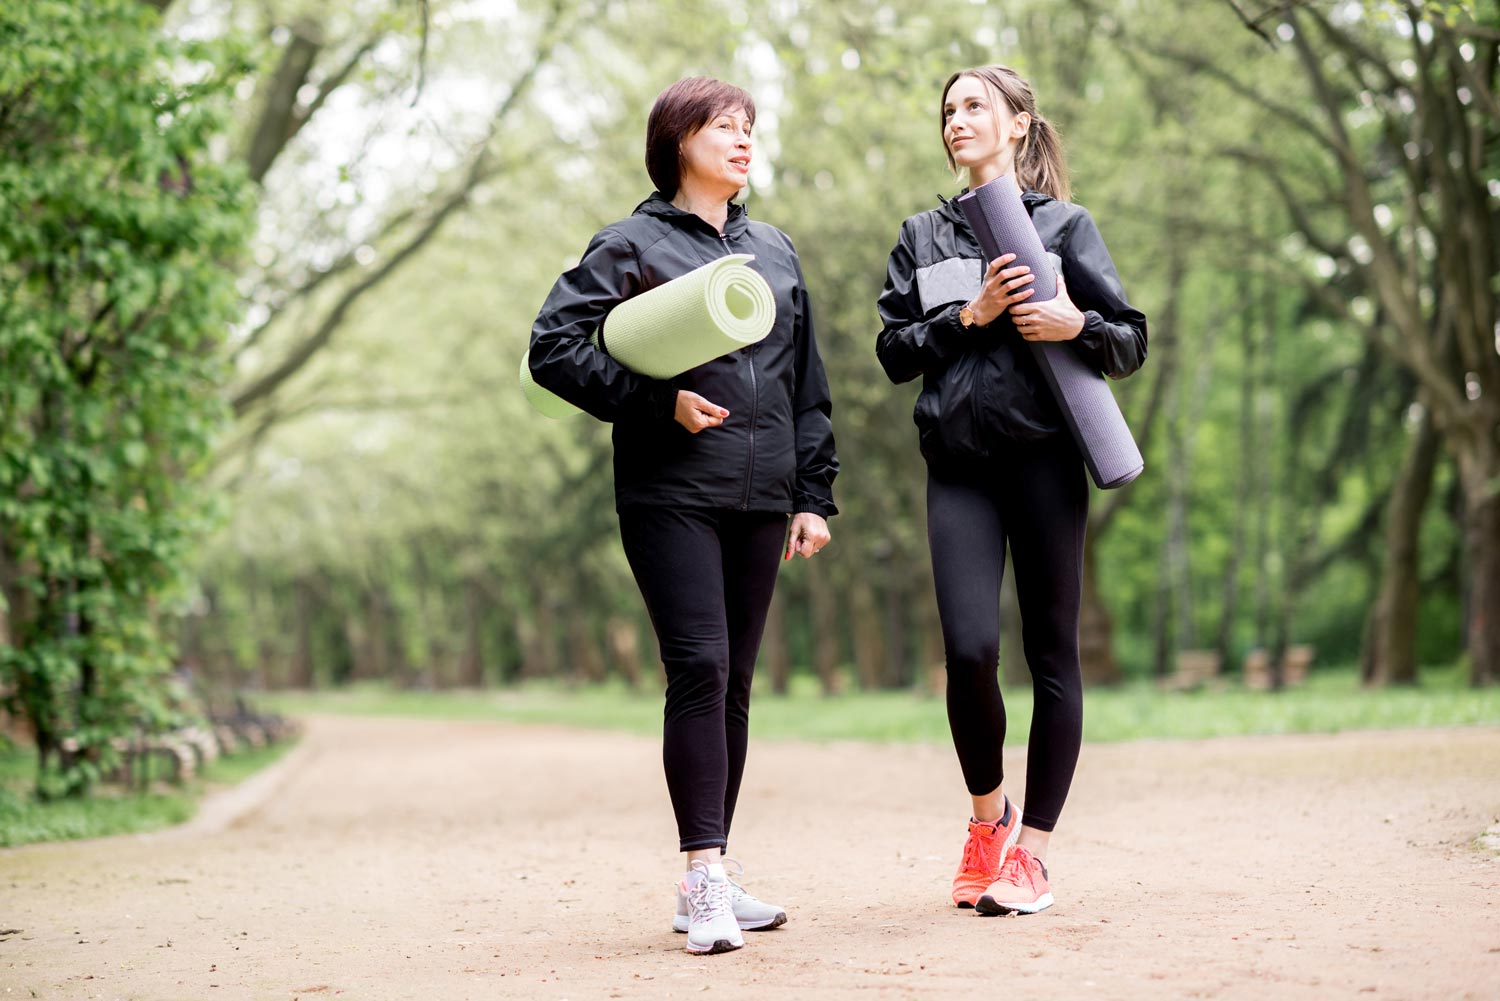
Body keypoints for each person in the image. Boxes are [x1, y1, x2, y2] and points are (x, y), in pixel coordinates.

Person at [528, 76, 838, 954]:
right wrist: (654, 401)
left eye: (750, 127)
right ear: (678, 140)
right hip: (670, 494)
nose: (743, 140)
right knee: (699, 666)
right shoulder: (628, 243)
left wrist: (814, 494)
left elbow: (807, 385)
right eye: (725, 126)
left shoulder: (774, 249)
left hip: (762, 496)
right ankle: (701, 875)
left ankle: (715, 870)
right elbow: (553, 347)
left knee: (734, 680)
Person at [875, 65, 1146, 916]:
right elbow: (891, 351)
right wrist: (970, 315)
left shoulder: (1066, 227)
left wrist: (1077, 325)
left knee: (1053, 656)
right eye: (948, 110)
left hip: (1045, 465)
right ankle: (988, 819)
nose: (958, 121)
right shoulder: (922, 236)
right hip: (958, 468)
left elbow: (1130, 339)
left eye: (975, 107)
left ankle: (1032, 857)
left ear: (1018, 124)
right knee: (968, 650)